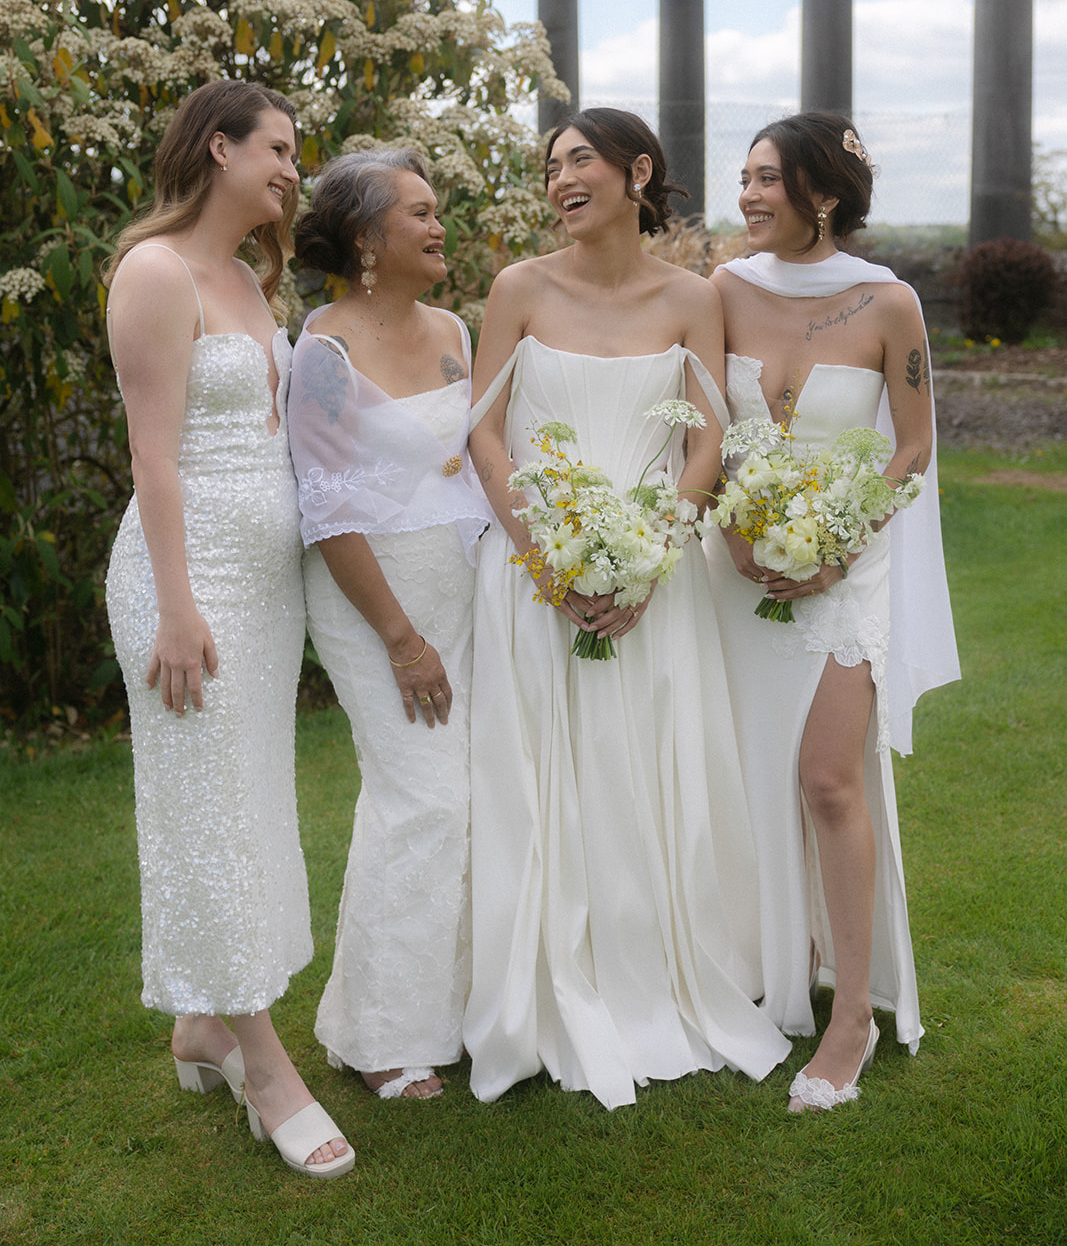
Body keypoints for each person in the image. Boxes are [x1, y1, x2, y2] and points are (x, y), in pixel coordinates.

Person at [463, 108, 791, 1110]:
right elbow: (482, 437)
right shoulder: (517, 288)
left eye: (578, 161)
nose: (559, 178)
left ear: (635, 171)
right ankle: (542, 983)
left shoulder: (693, 296)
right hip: (534, 575)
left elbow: (704, 441)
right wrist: (549, 566)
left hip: (656, 575)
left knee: (651, 763)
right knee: (544, 781)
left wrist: (646, 556)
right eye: (549, 165)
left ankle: (659, 968)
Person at [104, 80, 353, 1177]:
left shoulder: (253, 281)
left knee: (247, 805)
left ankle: (202, 1026)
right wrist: (175, 606)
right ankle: (263, 1064)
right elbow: (154, 454)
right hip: (184, 584)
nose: (293, 169)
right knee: (204, 806)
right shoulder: (153, 271)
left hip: (264, 591)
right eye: (280, 149)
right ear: (219, 146)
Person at [706, 111, 959, 1111]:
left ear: (820, 192)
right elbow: (701, 419)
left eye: (767, 179)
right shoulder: (723, 290)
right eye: (743, 177)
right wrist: (731, 534)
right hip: (734, 569)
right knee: (745, 771)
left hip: (845, 569)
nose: (748, 195)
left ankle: (851, 1012)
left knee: (825, 780)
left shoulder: (888, 303)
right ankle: (772, 960)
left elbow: (910, 446)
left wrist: (834, 546)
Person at [287, 149, 490, 1101]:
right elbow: (330, 513)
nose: (438, 225)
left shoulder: (455, 327)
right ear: (367, 237)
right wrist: (403, 641)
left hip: (469, 589)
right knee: (422, 799)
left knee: (475, 797)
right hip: (377, 604)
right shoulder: (321, 355)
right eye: (419, 212)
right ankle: (378, 1034)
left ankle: (460, 1010)